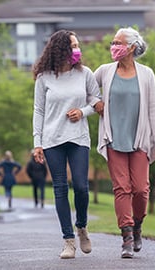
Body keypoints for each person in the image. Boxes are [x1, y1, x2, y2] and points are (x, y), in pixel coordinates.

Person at [93, 27, 155, 259]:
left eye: (118, 42)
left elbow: (154, 108)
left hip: (140, 140)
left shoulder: (146, 74)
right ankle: (126, 237)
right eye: (113, 42)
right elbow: (87, 89)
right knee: (122, 189)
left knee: (141, 190)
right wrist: (95, 102)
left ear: (132, 47)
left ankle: (137, 225)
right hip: (114, 138)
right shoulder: (105, 71)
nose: (114, 46)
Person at [32, 29, 101, 259]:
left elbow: (96, 101)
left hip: (78, 138)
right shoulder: (44, 78)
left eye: (77, 45)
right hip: (52, 139)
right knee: (60, 189)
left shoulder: (85, 74)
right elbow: (38, 110)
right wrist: (37, 142)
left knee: (81, 186)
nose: (77, 49)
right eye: (73, 45)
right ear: (60, 48)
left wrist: (82, 112)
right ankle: (68, 240)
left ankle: (81, 226)